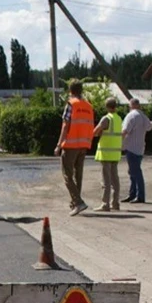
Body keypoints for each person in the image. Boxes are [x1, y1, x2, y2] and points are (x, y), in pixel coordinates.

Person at [54, 81, 95, 217]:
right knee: (79, 175)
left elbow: (66, 126)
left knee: (67, 175)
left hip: (70, 145)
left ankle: (78, 202)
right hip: (84, 145)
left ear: (70, 90)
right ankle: (75, 203)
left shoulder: (71, 104)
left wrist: (59, 145)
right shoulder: (88, 106)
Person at [121, 98, 152, 204]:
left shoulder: (131, 116)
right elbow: (150, 126)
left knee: (135, 172)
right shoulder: (143, 116)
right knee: (133, 171)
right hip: (140, 147)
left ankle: (139, 196)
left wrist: (119, 143)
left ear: (131, 105)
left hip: (131, 147)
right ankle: (133, 194)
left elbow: (125, 130)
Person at [93, 97, 123, 212]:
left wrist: (99, 132)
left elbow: (95, 132)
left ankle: (105, 204)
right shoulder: (119, 119)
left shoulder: (106, 118)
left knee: (106, 180)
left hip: (105, 153)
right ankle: (115, 203)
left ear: (106, 107)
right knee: (115, 179)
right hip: (115, 153)